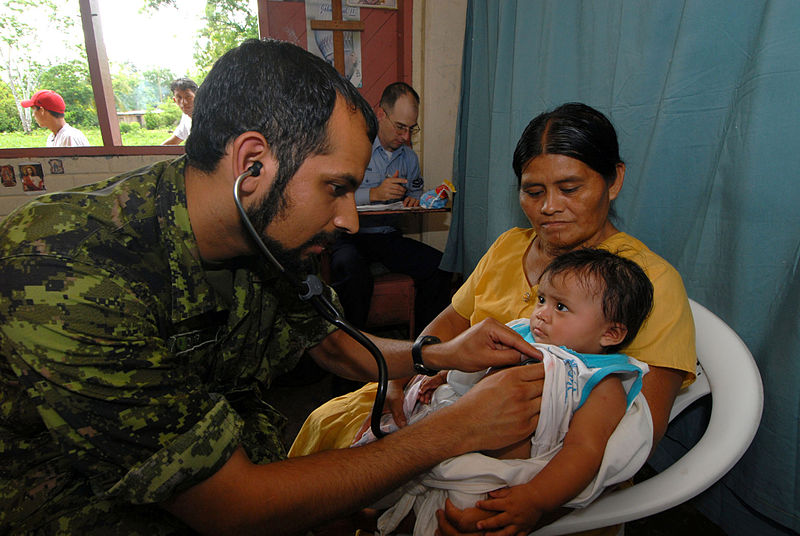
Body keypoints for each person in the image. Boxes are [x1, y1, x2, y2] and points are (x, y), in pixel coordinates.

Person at [0, 39, 546, 535]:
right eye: (336, 187)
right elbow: (230, 507)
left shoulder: (267, 238)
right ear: (252, 163)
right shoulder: (66, 262)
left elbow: (333, 342)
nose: (350, 221)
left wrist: (442, 353)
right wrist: (452, 430)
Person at [289, 102, 698, 535]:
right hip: (448, 403)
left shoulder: (651, 282)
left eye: (570, 188)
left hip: (553, 466)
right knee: (329, 440)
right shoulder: (509, 246)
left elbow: (634, 437)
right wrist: (399, 375)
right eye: (533, 192)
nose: (549, 208)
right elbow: (447, 325)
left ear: (613, 180)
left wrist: (537, 503)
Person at [353, 248, 656, 535]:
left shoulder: (600, 382)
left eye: (560, 307)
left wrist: (536, 499)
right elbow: (477, 363)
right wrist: (444, 373)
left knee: (449, 516)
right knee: (390, 475)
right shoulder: (523, 334)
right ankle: (377, 509)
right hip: (458, 431)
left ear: (610, 333)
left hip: (497, 471)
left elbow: (584, 451)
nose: (541, 314)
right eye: (541, 299)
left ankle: (389, 518)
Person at [329, 82, 452, 335]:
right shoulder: (354, 148)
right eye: (400, 127)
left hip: (388, 238)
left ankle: (421, 345)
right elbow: (333, 195)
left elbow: (416, 192)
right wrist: (374, 194)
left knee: (440, 267)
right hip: (351, 237)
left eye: (411, 129)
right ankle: (354, 348)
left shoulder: (409, 158)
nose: (406, 137)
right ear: (381, 114)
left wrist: (415, 200)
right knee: (350, 269)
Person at [20, 89, 90, 147]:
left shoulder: (69, 137)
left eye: (34, 110)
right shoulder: (52, 137)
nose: (33, 115)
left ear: (42, 111)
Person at [161, 77, 198, 145]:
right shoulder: (186, 118)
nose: (184, 102)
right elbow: (174, 141)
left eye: (188, 97)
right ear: (175, 100)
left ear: (197, 97)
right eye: (179, 97)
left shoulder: (209, 116)